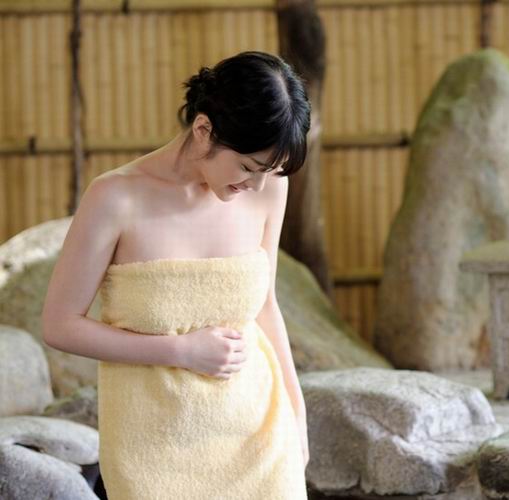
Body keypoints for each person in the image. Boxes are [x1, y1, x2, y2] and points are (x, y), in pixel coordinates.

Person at [41, 51, 312, 499]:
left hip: (259, 437)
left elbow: (265, 305)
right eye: (248, 167)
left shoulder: (268, 188)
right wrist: (181, 351)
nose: (258, 185)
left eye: (270, 171)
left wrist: (297, 414)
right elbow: (59, 325)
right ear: (204, 130)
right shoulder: (116, 198)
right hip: (151, 446)